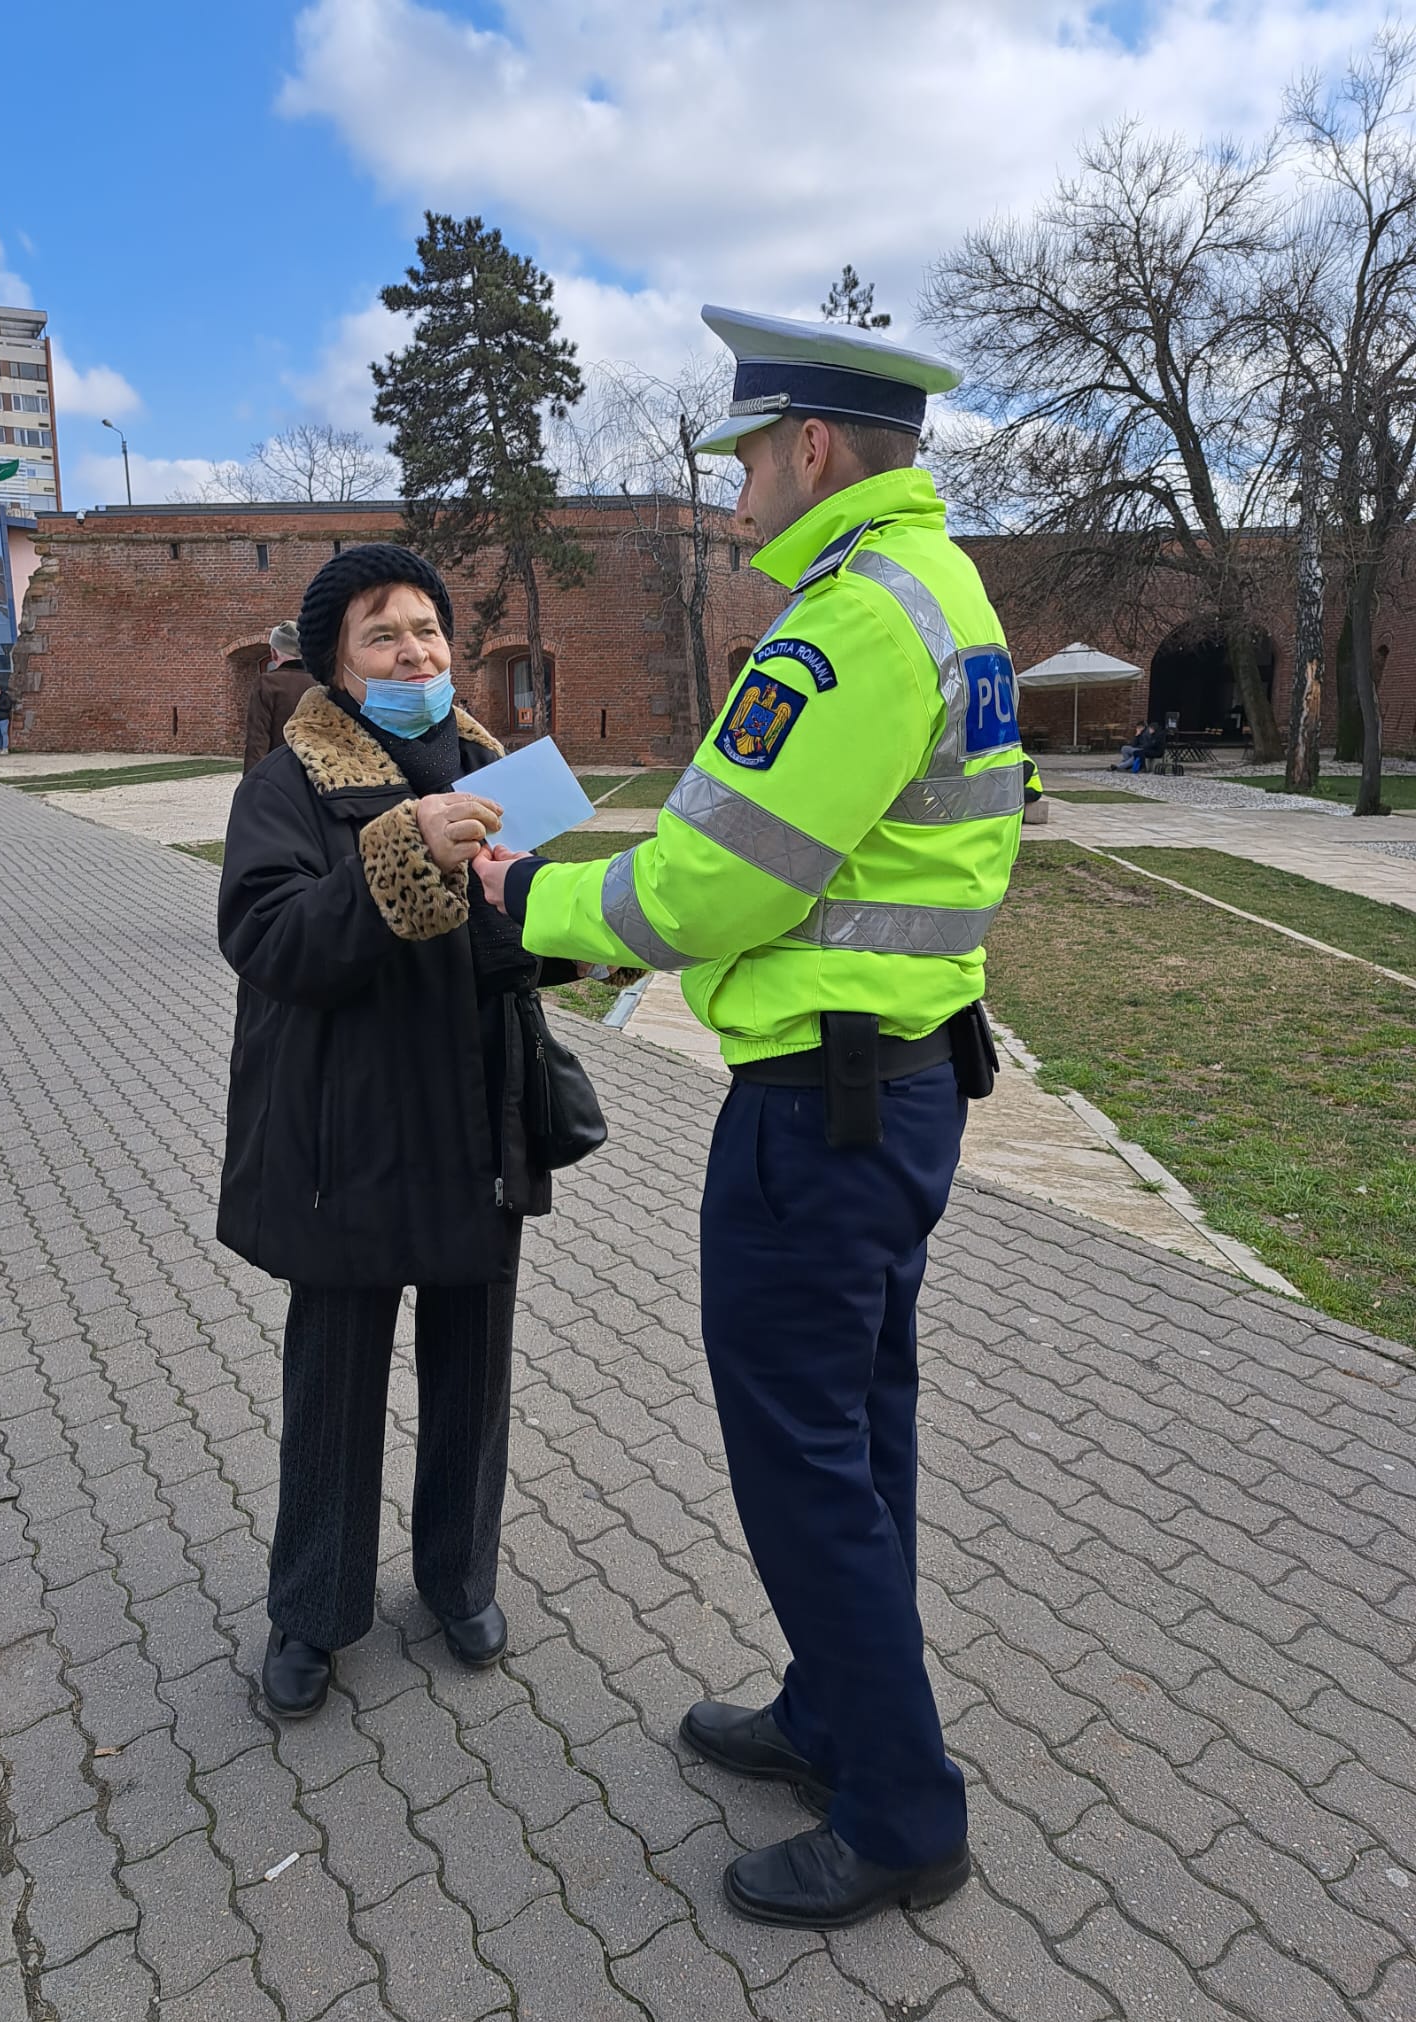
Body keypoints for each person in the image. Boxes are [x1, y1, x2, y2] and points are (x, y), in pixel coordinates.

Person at [478, 306, 1028, 1930]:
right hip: (899, 1090)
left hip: (820, 1118)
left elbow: (713, 882)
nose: (733, 491)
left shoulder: (847, 623)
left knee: (803, 1466)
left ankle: (901, 1812)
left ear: (811, 447)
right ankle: (830, 1714)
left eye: (745, 458)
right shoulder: (947, 593)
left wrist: (524, 905)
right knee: (859, 1435)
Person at [216, 544, 582, 1721]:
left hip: (477, 1122)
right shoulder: (287, 785)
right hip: (350, 1135)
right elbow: (270, 940)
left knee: (473, 1370)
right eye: (383, 634)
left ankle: (457, 1578)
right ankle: (312, 1608)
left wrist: (568, 928)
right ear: (339, 663)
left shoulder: (494, 770)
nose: (414, 651)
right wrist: (402, 851)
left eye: (427, 629)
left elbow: (509, 939)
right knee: (334, 1383)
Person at [242, 621, 315, 774]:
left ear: (273, 653)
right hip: (315, 772)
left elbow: (257, 740)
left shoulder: (267, 684)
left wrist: (251, 781)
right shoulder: (321, 683)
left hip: (278, 774)